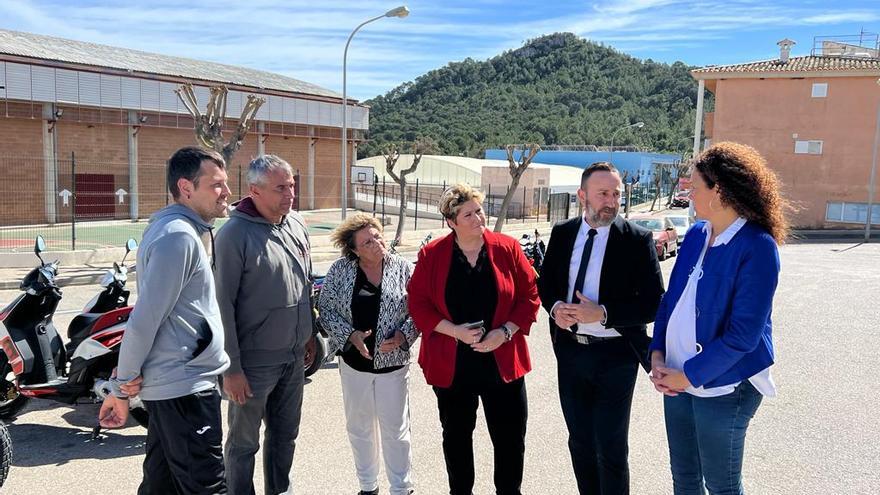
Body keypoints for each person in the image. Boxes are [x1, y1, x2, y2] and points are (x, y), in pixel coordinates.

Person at [649, 142, 786, 495]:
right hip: (676, 378)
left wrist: (688, 376)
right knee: (685, 477)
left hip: (725, 387)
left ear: (718, 191)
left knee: (721, 485)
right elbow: (671, 301)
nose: (689, 194)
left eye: (695, 188)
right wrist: (658, 354)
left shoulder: (757, 246)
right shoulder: (697, 234)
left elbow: (744, 336)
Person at [98, 146, 232, 494]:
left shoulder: (183, 230)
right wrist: (121, 386)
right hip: (185, 389)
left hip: (177, 386)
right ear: (187, 188)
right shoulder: (178, 237)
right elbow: (145, 318)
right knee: (207, 487)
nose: (227, 193)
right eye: (217, 185)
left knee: (161, 486)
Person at [537, 162, 664, 495]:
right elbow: (546, 285)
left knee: (610, 446)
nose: (612, 201)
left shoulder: (637, 240)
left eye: (617, 194)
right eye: (603, 194)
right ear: (583, 196)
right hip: (570, 351)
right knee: (579, 441)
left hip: (616, 357)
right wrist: (555, 310)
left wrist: (603, 313)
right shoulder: (562, 233)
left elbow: (654, 303)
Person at [408, 183, 540, 495]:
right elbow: (418, 304)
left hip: (502, 362)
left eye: (479, 211)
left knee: (509, 440)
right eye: (468, 214)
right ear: (451, 222)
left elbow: (530, 296)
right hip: (453, 367)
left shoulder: (507, 248)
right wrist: (453, 331)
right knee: (456, 439)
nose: (478, 218)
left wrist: (504, 332)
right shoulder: (431, 254)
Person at [213, 155, 314, 495]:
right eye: (280, 188)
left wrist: (309, 333)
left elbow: (304, 283)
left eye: (292, 186)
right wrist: (232, 368)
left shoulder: (296, 224)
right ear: (254, 190)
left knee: (285, 435)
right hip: (252, 362)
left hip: (293, 356)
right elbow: (221, 304)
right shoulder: (233, 236)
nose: (290, 194)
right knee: (243, 444)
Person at [318, 213, 418, 495]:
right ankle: (367, 486)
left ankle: (401, 488)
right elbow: (325, 309)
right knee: (359, 427)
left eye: (376, 236)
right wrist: (350, 336)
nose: (375, 243)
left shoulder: (403, 268)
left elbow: (420, 310)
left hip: (393, 365)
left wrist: (402, 336)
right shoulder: (340, 270)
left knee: (395, 430)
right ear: (354, 249)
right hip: (354, 364)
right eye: (366, 241)